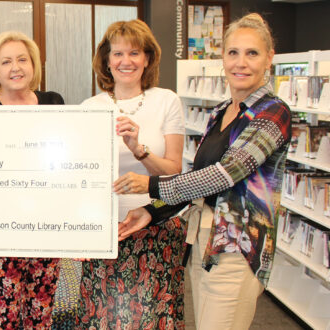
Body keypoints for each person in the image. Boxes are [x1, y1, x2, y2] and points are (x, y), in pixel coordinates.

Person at [116, 13, 291, 329]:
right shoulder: (221, 112)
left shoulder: (273, 113)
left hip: (237, 248)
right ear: (222, 58)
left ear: (269, 59)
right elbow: (200, 180)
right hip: (203, 242)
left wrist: (150, 185)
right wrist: (151, 211)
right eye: (233, 52)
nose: (241, 62)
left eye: (252, 53)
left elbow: (225, 173)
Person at [76, 20, 186, 329]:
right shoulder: (89, 107)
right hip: (106, 229)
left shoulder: (167, 101)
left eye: (135, 53)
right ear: (107, 60)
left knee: (152, 319)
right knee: (104, 317)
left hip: (157, 224)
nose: (126, 61)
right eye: (118, 53)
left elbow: (174, 172)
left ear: (148, 58)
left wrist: (140, 150)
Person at [0, 31, 64, 329]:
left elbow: (66, 164)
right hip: (2, 228)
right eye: (6, 62)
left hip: (47, 225)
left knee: (41, 313)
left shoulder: (54, 102)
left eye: (22, 59)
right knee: (5, 314)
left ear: (34, 65)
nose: (15, 67)